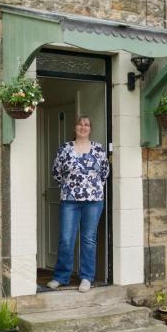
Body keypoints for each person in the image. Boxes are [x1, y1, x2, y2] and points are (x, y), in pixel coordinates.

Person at [47, 115, 110, 293]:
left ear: (90, 129)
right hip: (70, 199)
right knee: (66, 239)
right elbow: (56, 172)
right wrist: (70, 187)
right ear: (75, 127)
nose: (83, 127)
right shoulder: (65, 149)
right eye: (80, 124)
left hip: (93, 200)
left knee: (89, 239)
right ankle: (61, 277)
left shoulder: (98, 149)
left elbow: (104, 173)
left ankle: (86, 278)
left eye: (87, 124)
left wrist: (91, 188)